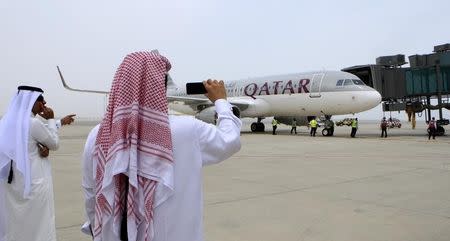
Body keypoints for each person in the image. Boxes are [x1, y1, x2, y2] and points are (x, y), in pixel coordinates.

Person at [81, 51, 241, 241]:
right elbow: (229, 140)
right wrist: (221, 101)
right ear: (160, 87)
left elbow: (92, 197)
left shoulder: (97, 136)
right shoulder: (187, 130)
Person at [0, 86, 60, 241]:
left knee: (17, 225)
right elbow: (54, 143)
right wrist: (51, 119)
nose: (44, 103)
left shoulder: (6, 122)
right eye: (41, 100)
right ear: (30, 101)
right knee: (38, 227)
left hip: (13, 185)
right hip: (34, 184)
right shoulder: (33, 123)